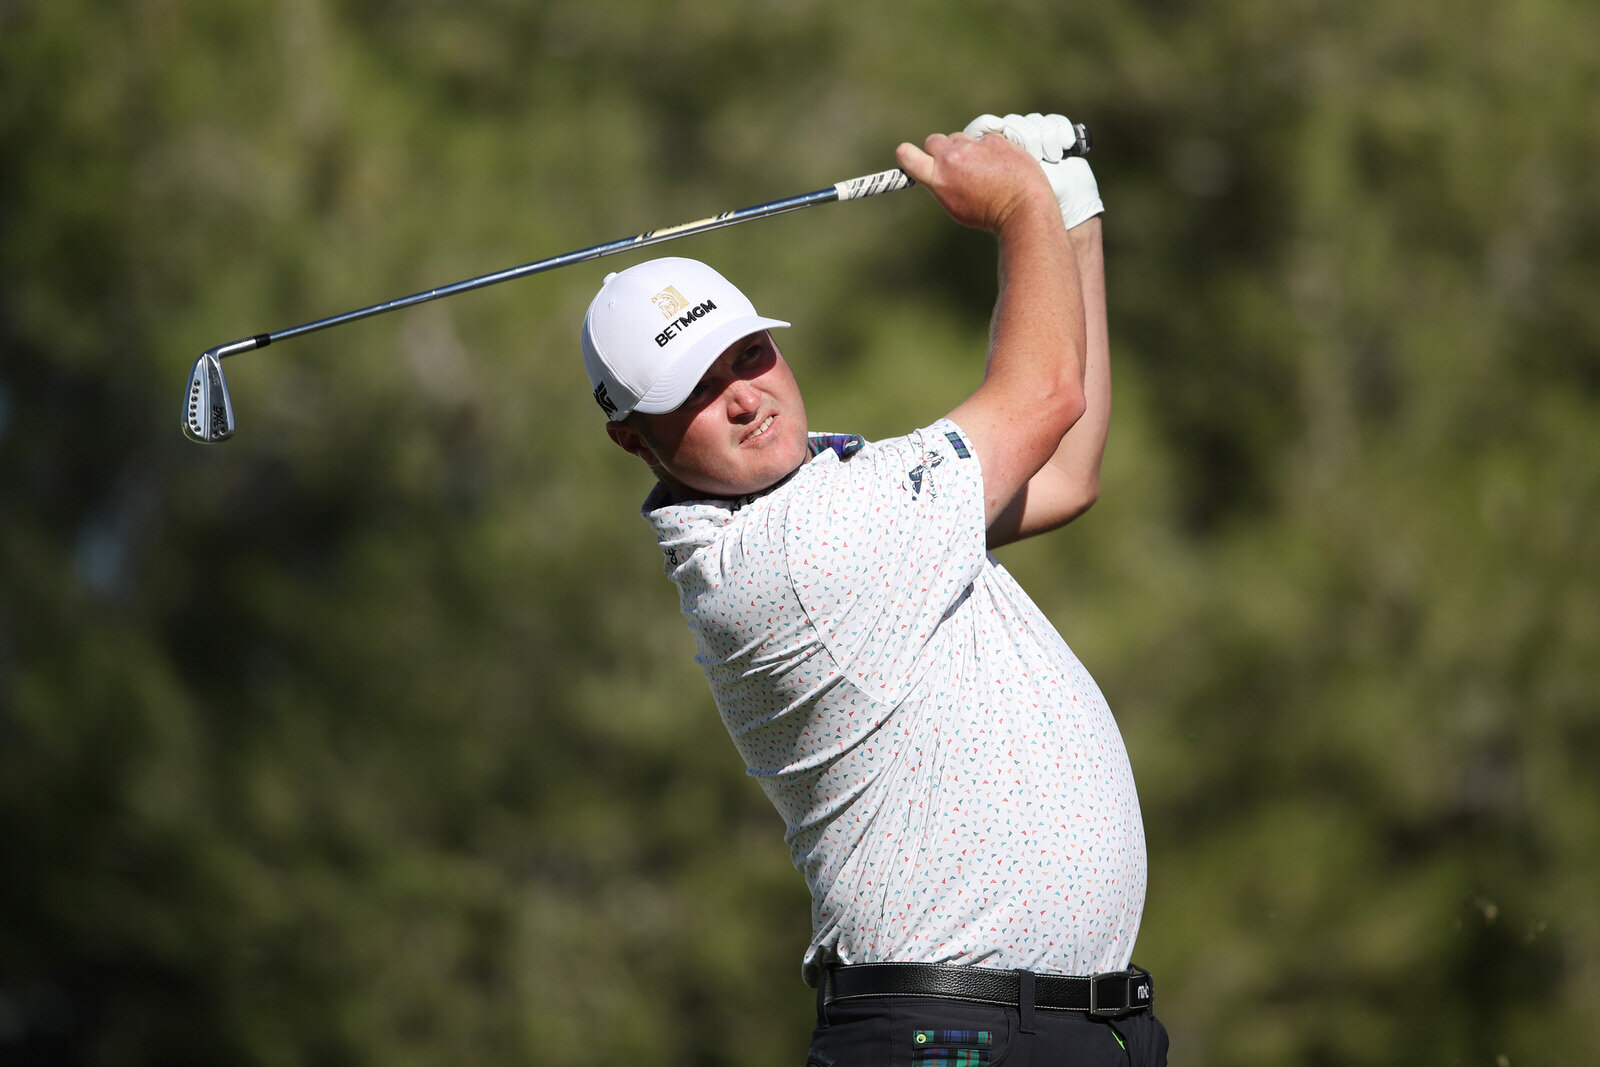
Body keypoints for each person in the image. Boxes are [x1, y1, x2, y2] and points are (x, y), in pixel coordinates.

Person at [581, 113, 1167, 1066]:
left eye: (748, 353)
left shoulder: (840, 497)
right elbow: (1045, 397)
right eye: (696, 386)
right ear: (632, 437)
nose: (745, 395)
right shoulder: (790, 556)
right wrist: (1019, 205)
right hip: (950, 1039)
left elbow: (1065, 472)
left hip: (1072, 1032)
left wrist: (1069, 210)